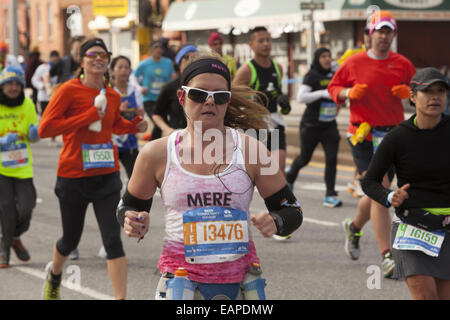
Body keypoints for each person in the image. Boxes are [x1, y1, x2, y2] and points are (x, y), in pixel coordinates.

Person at [118, 54, 303, 300]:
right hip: (179, 285)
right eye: (198, 94)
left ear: (227, 102)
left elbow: (292, 210)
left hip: (239, 285)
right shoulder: (157, 153)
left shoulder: (253, 149)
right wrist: (132, 220)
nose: (209, 102)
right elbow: (129, 206)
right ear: (182, 97)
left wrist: (276, 221)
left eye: (220, 96)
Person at [38, 38, 148, 300]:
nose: (98, 59)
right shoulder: (68, 91)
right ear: (82, 60)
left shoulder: (111, 94)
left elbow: (113, 125)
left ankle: (120, 297)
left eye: (103, 55)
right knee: (70, 240)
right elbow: (45, 129)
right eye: (92, 54)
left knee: (112, 240)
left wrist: (133, 126)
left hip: (106, 175)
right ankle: (54, 275)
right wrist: (86, 116)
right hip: (73, 175)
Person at [328, 10, 416, 278]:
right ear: (370, 33)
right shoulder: (354, 62)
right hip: (363, 136)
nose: (384, 36)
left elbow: (420, 92)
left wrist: (409, 94)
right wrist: (347, 92)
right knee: (382, 190)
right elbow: (333, 88)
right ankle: (387, 256)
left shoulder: (402, 63)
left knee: (374, 192)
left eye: (388, 32)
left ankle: (354, 227)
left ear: (393, 35)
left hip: (391, 136)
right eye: (380, 31)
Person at [361, 67, 450, 299]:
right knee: (425, 295)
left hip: (447, 227)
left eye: (440, 91)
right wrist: (390, 196)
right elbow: (369, 181)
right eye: (427, 91)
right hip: (412, 228)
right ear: (412, 97)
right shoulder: (398, 137)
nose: (435, 97)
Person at [286, 48, 342, 208]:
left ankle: (330, 194)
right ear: (317, 59)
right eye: (323, 56)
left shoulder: (334, 74)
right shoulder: (312, 76)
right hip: (311, 125)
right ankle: (290, 177)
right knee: (305, 158)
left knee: (332, 159)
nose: (327, 59)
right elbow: (300, 97)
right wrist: (323, 93)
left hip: (329, 125)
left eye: (329, 56)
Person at [234, 27, 291, 177]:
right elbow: (231, 98)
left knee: (279, 169)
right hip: (255, 126)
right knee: (256, 175)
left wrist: (285, 104)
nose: (266, 44)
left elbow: (279, 98)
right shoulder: (246, 71)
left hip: (274, 122)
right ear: (251, 45)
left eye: (268, 40)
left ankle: (281, 199)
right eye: (261, 41)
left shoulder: (278, 68)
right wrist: (248, 102)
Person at [0, 66, 39, 268]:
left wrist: (34, 134)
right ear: (2, 86)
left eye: (17, 84)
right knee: (6, 208)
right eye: (9, 83)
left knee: (27, 207)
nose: (13, 87)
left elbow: (33, 136)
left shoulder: (28, 105)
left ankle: (14, 236)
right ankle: (3, 251)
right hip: (1, 168)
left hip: (22, 166)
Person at [152, 44, 198, 137]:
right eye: (187, 57)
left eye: (195, 57)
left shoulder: (203, 86)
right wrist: (168, 130)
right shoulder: (170, 87)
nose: (191, 61)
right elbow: (156, 114)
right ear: (179, 62)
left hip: (199, 137)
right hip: (178, 139)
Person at [134, 39, 175, 141]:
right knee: (159, 122)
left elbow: (173, 76)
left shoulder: (168, 62)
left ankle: (153, 146)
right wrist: (140, 88)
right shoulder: (144, 64)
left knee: (162, 123)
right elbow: (133, 77)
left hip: (163, 98)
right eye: (156, 48)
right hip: (149, 98)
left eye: (160, 48)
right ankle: (154, 146)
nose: (159, 50)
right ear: (151, 50)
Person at [31, 50, 60, 116]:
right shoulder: (42, 68)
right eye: (53, 57)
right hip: (44, 97)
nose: (55, 59)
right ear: (50, 58)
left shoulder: (60, 68)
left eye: (56, 58)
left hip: (56, 97)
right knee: (44, 116)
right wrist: (42, 85)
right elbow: (34, 80)